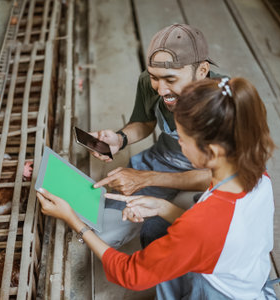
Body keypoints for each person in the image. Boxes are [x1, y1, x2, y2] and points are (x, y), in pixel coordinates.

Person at [37, 77, 279, 299]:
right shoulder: (257, 174)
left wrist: (72, 220)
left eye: (182, 139)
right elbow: (219, 236)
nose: (179, 145)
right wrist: (162, 206)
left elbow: (130, 274)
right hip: (247, 275)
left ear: (212, 152)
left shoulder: (201, 226)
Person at [90, 24, 225, 248]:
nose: (161, 90)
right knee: (101, 232)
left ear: (202, 70)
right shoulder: (151, 82)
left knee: (162, 239)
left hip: (207, 178)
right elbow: (145, 122)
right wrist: (119, 139)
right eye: (154, 78)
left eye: (171, 80)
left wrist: (146, 179)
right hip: (163, 161)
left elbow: (217, 176)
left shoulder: (226, 102)